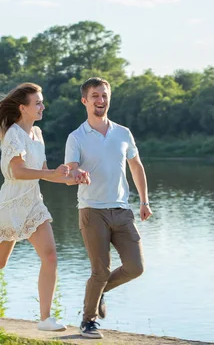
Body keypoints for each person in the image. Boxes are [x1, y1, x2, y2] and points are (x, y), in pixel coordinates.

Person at [0, 82, 89, 331]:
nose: (42, 106)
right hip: (10, 204)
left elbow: (41, 173)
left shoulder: (37, 134)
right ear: (23, 108)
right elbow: (17, 171)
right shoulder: (14, 135)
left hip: (33, 204)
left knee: (50, 256)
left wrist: (72, 177)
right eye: (37, 102)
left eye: (42, 101)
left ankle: (45, 319)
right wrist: (51, 172)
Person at [64, 77, 153, 339]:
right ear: (85, 101)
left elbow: (136, 166)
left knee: (135, 267)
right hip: (92, 211)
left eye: (104, 96)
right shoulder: (76, 137)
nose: (100, 101)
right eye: (95, 96)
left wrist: (144, 201)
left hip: (122, 210)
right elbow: (69, 171)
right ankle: (88, 321)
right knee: (99, 271)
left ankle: (100, 290)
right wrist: (76, 172)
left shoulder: (122, 133)